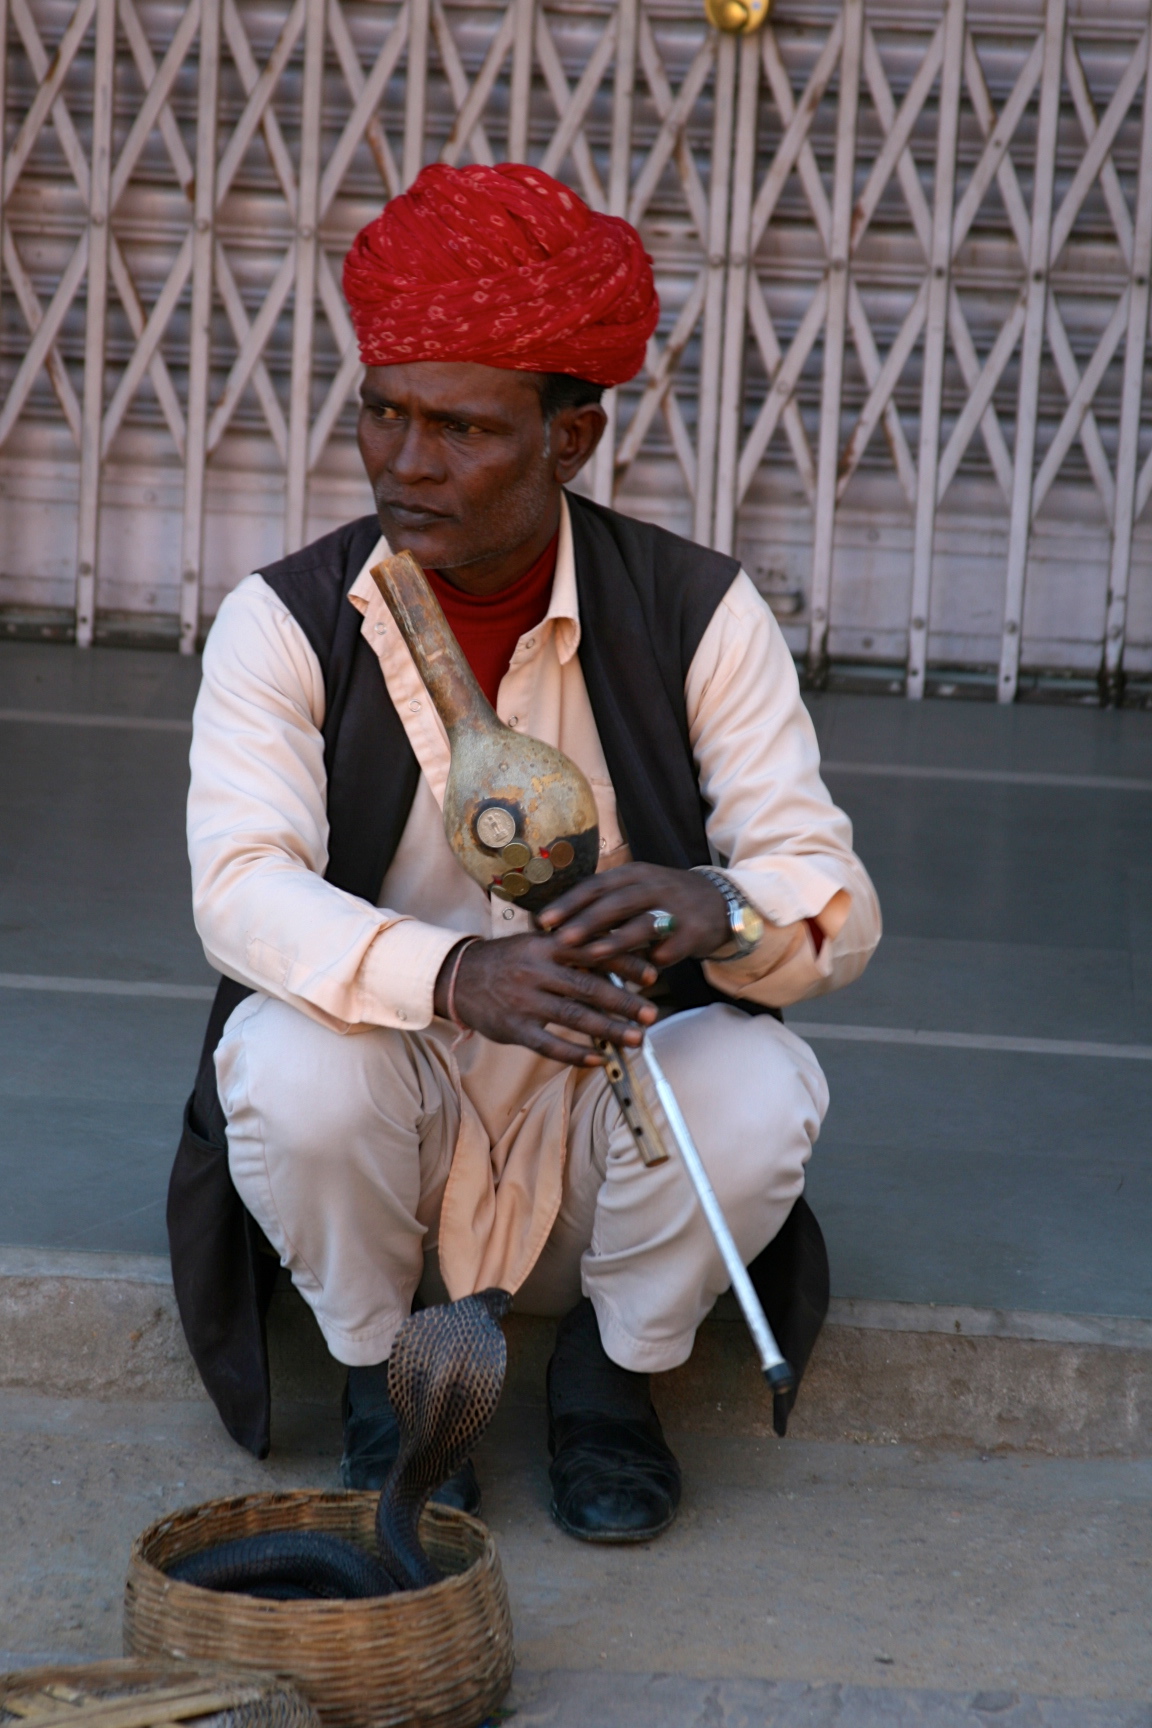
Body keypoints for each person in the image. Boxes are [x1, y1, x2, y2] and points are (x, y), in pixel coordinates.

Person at [171, 162, 881, 1544]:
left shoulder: (697, 611)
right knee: (282, 1061)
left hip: (610, 1130)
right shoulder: (286, 620)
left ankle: (612, 1380)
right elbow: (237, 892)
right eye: (384, 413)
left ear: (572, 440)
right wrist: (454, 976)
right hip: (398, 1110)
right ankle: (384, 1372)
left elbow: (833, 907)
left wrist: (717, 905)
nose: (407, 461)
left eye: (463, 428)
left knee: (760, 1081)